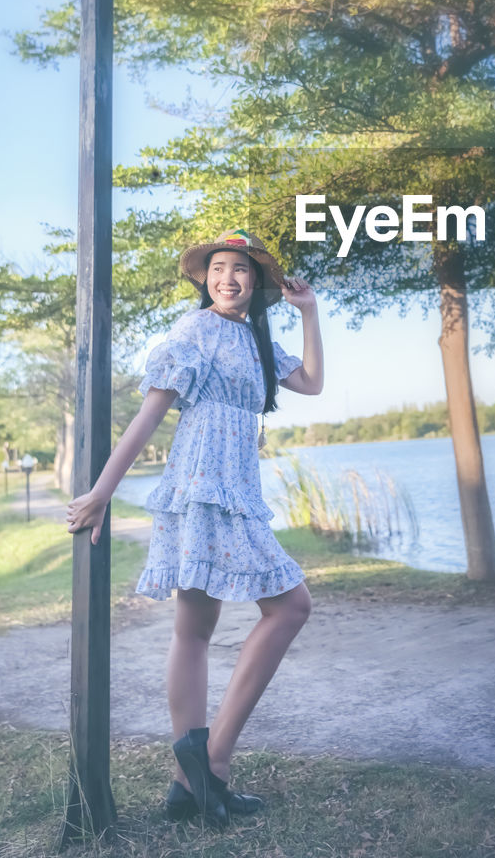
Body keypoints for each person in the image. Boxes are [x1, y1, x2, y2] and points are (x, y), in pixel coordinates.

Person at [66, 229, 323, 828]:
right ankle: (213, 764)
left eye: (240, 269)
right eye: (218, 268)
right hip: (202, 488)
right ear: (204, 277)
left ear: (257, 283)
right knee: (284, 608)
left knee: (202, 627)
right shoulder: (192, 332)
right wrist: (103, 492)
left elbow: (311, 382)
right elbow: (150, 413)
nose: (227, 277)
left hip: (237, 488)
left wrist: (309, 313)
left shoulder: (258, 337)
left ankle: (190, 786)